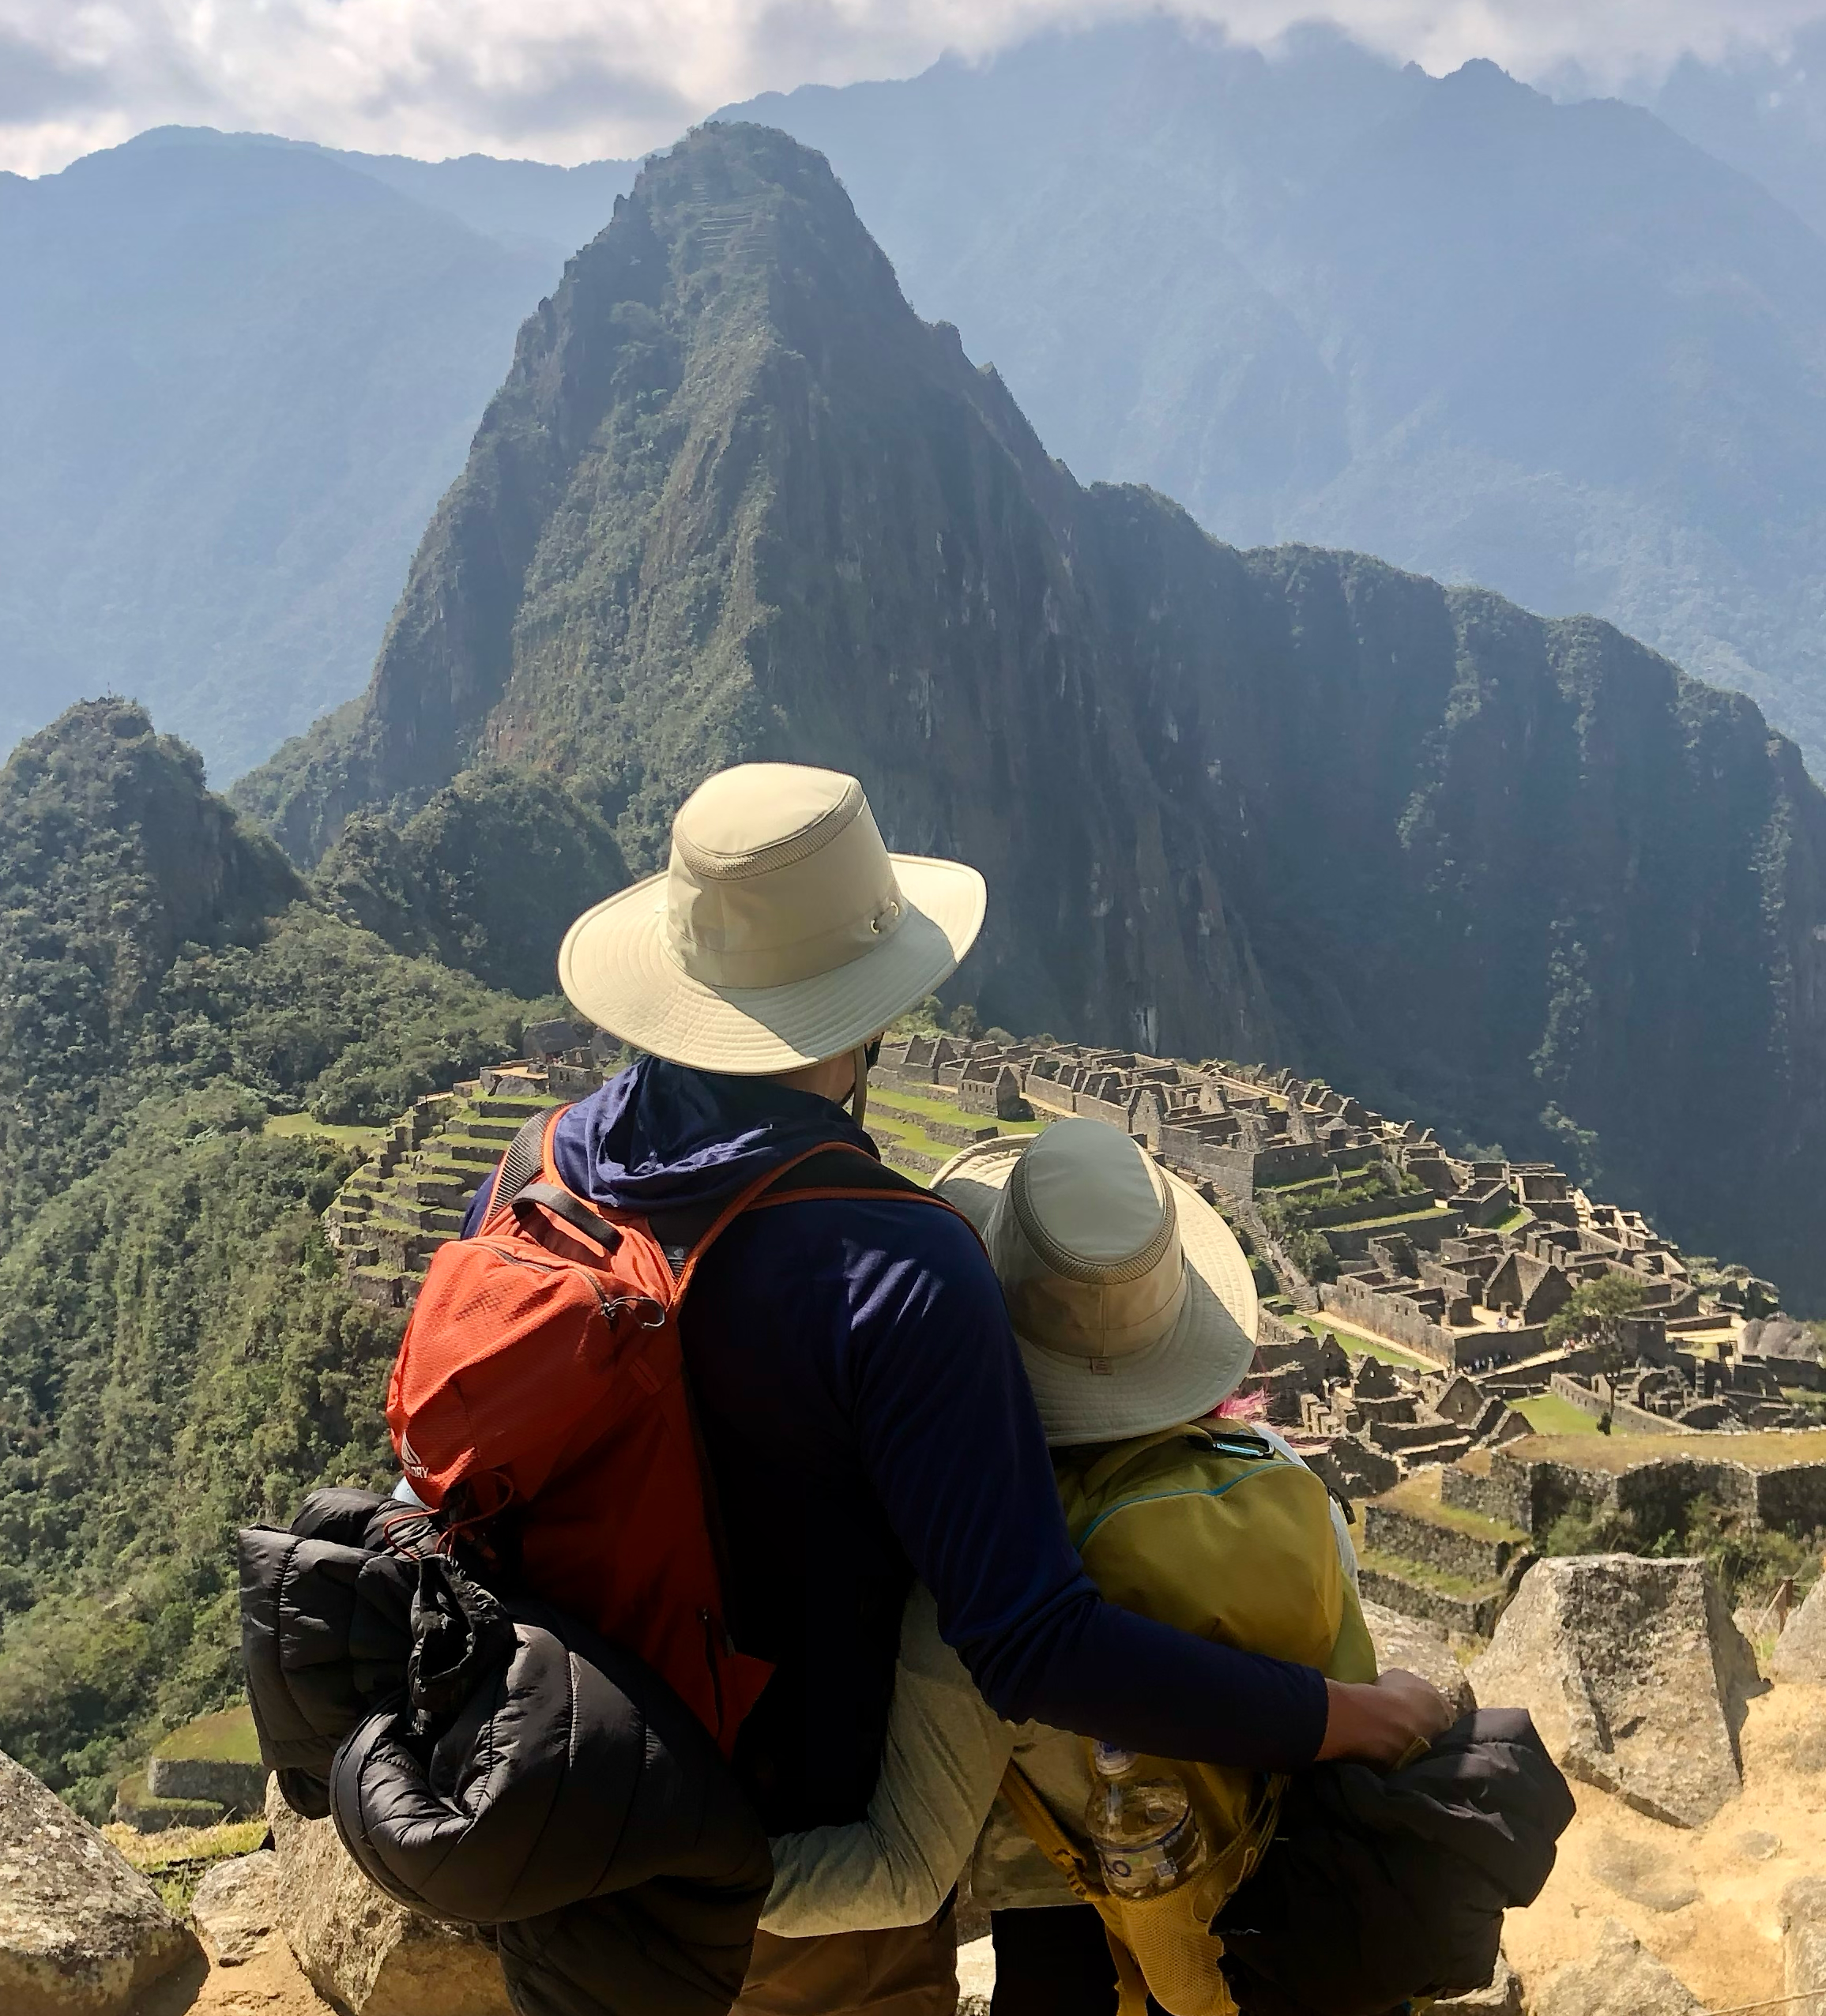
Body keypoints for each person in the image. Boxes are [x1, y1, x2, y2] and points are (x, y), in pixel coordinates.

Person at [468, 762, 1452, 2013]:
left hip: (564, 1799)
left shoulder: (533, 1170)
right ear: (865, 1007)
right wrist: (1336, 1717)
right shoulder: (894, 1264)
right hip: (787, 1863)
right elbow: (1032, 1641)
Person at [758, 1119, 1390, 2015]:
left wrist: (665, 1875)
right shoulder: (1282, 1479)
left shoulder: (991, 1565)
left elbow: (901, 1872)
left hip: (1070, 1941)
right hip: (1281, 1913)